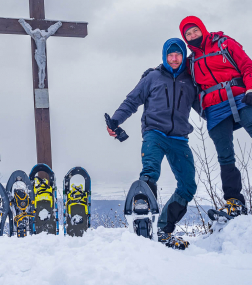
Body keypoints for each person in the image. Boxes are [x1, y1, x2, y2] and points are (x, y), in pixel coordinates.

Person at [106, 38, 197, 249]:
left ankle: (163, 228)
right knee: (149, 173)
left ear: (183, 56)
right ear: (164, 56)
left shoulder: (191, 81)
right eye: (170, 55)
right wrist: (116, 120)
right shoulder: (153, 77)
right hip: (154, 133)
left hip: (179, 139)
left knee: (188, 186)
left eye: (177, 55)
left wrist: (229, 118)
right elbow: (132, 100)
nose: (174, 59)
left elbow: (205, 108)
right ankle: (143, 223)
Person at [179, 16, 252, 219]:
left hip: (239, 96)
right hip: (214, 108)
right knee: (225, 155)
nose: (193, 35)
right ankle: (234, 202)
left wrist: (250, 89)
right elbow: (172, 69)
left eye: (195, 31)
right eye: (188, 34)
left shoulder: (224, 43)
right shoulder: (190, 61)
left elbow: (247, 65)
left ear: (202, 29)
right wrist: (154, 71)